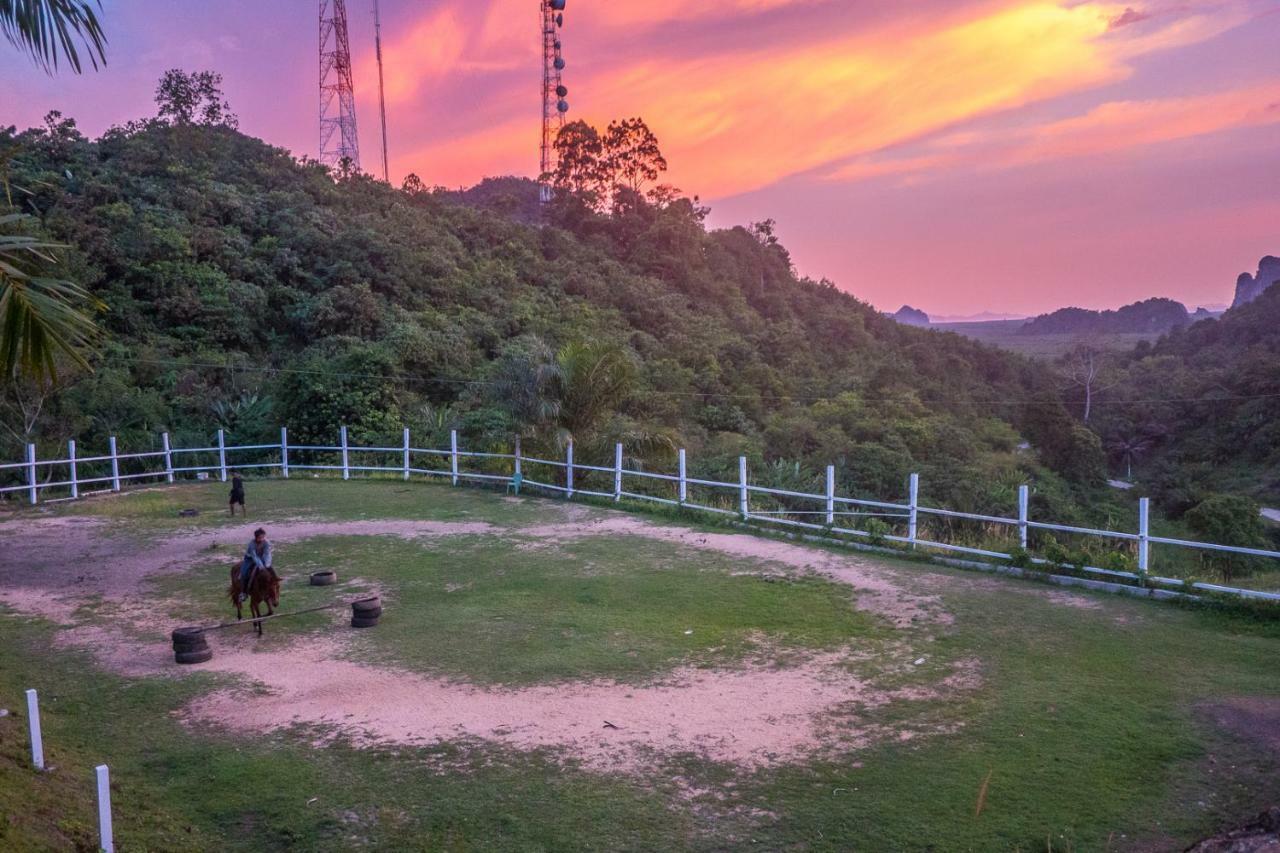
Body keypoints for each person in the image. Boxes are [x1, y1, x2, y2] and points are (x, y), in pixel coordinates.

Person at [238, 528, 273, 603]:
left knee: (271, 570)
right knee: (244, 573)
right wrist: (260, 566)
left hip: (262, 558)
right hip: (250, 559)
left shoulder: (266, 542)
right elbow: (254, 556)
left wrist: (267, 565)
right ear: (256, 537)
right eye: (260, 537)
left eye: (263, 537)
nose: (262, 539)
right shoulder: (252, 544)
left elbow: (267, 554)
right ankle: (243, 593)